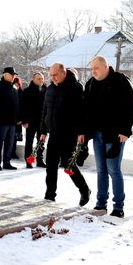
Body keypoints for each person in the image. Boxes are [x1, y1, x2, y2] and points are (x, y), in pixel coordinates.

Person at [80, 55, 133, 218]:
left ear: (106, 67)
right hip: (97, 133)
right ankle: (100, 204)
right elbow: (85, 109)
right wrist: (83, 131)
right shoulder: (90, 84)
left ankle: (118, 206)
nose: (93, 71)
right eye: (91, 69)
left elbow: (130, 107)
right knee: (101, 170)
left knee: (113, 170)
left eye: (96, 68)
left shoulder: (120, 81)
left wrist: (126, 131)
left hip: (115, 134)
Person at [39, 64, 90, 205]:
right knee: (51, 165)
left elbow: (81, 112)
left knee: (69, 165)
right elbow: (45, 111)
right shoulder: (50, 89)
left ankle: (84, 189)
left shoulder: (75, 88)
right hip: (54, 132)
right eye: (51, 74)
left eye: (55, 74)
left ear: (64, 73)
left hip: (69, 133)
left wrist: (81, 131)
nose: (52, 77)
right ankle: (50, 195)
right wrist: (43, 130)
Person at [0, 67, 21, 171]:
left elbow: (17, 104)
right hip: (2, 121)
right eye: (11, 74)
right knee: (0, 143)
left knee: (10, 143)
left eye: (14, 74)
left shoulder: (14, 87)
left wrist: (18, 118)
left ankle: (7, 162)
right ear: (4, 74)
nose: (13, 76)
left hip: (12, 121)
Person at [20, 72, 46, 168]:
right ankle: (29, 160)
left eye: (42, 78)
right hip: (30, 121)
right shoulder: (27, 91)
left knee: (41, 142)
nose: (41, 80)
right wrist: (24, 121)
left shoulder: (46, 90)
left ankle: (40, 160)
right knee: (29, 142)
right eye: (38, 78)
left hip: (42, 121)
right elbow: (23, 107)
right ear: (33, 79)